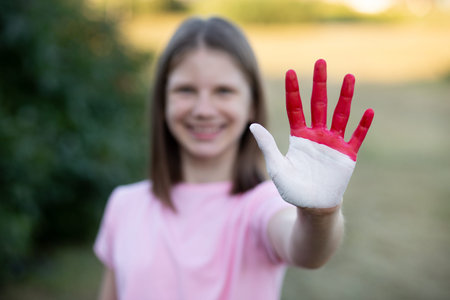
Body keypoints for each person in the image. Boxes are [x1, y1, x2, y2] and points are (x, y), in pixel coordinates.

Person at [94, 16, 374, 300]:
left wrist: (321, 214)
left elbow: (307, 251)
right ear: (162, 100)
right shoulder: (124, 205)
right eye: (186, 90)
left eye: (224, 91)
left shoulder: (261, 206)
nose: (203, 109)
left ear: (251, 103)